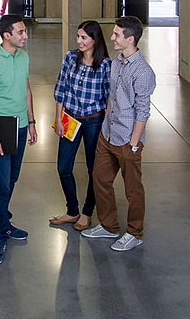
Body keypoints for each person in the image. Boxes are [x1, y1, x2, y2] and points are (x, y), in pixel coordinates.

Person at [81, 16, 156, 252]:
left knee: (133, 190)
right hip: (108, 133)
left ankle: (135, 232)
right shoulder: (116, 62)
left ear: (130, 39)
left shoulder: (143, 72)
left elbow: (143, 110)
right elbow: (112, 97)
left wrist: (134, 143)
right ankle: (109, 226)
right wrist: (106, 125)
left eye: (116, 34)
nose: (111, 38)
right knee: (100, 179)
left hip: (127, 140)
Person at [0, 14, 38, 265]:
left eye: (25, 32)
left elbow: (26, 89)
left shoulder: (23, 57)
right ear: (7, 35)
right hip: (2, 127)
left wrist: (32, 121)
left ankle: (4, 220)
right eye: (21, 32)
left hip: (22, 125)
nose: (25, 36)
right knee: (2, 183)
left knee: (12, 178)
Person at [49, 20, 111, 232]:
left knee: (93, 169)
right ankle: (72, 209)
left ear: (95, 40)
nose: (79, 41)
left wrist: (108, 124)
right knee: (63, 166)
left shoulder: (105, 65)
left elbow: (109, 97)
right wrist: (58, 119)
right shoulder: (70, 58)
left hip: (94, 120)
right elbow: (61, 88)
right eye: (78, 37)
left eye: (84, 37)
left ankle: (86, 212)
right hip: (70, 118)